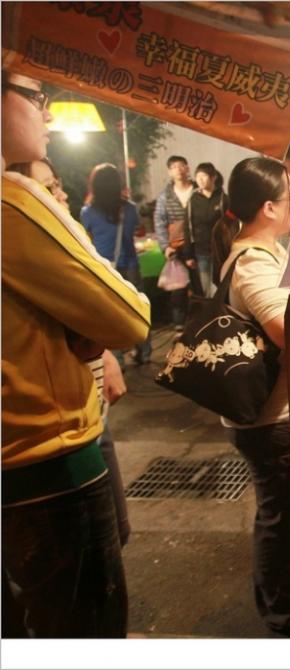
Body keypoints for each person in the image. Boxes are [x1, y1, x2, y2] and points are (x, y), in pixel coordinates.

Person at [2, 69, 151, 637]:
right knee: (85, 629)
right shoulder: (13, 203)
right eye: (36, 97)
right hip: (47, 467)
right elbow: (129, 316)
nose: (47, 112)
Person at [8, 158, 132, 547]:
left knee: (117, 532)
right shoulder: (26, 241)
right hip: (55, 444)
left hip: (92, 416)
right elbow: (130, 319)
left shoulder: (66, 233)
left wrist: (105, 354)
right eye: (47, 188)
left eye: (58, 185)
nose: (60, 195)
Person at [215, 156, 290, 636]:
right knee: (279, 517)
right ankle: (282, 618)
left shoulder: (268, 250)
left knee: (279, 513)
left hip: (271, 412)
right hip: (267, 417)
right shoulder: (252, 260)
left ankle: (283, 608)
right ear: (268, 207)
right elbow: (285, 327)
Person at [81, 163, 152, 366]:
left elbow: (87, 238)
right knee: (138, 309)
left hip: (105, 268)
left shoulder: (88, 212)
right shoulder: (129, 209)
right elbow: (135, 230)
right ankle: (144, 352)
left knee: (112, 313)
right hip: (130, 264)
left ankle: (118, 358)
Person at [154, 154, 194, 327]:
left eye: (181, 165)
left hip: (198, 246)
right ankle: (180, 325)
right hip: (176, 247)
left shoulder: (197, 190)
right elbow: (159, 222)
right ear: (169, 172)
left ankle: (200, 322)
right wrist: (165, 247)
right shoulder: (165, 196)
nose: (178, 169)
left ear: (187, 168)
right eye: (174, 167)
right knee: (178, 289)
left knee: (201, 286)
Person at [184, 162, 228, 297]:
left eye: (204, 176)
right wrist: (188, 254)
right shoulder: (193, 200)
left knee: (218, 286)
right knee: (205, 287)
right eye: (198, 177)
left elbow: (230, 225)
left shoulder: (222, 199)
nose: (200, 180)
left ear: (213, 177)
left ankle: (218, 314)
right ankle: (210, 314)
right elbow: (188, 227)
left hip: (219, 250)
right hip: (201, 250)